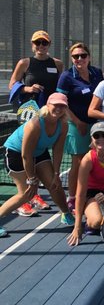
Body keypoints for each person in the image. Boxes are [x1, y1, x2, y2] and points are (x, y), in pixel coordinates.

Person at [0, 93, 73, 237]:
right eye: (55, 105)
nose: (58, 108)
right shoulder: (35, 124)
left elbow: (58, 150)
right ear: (47, 104)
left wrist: (57, 174)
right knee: (26, 193)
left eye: (62, 106)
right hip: (16, 152)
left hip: (38, 152)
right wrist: (32, 179)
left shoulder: (63, 125)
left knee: (54, 183)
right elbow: (26, 155)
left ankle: (66, 213)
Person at [8, 30, 64, 214]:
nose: (41, 46)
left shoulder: (57, 64)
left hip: (51, 114)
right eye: (37, 43)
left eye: (44, 43)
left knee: (41, 151)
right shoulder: (25, 63)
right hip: (29, 114)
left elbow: (60, 87)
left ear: (49, 44)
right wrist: (27, 88)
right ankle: (27, 195)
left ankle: (34, 193)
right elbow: (12, 84)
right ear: (32, 45)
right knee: (28, 150)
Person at [57, 43, 104, 213]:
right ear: (71, 59)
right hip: (76, 125)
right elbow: (62, 103)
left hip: (96, 124)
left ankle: (89, 193)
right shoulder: (66, 76)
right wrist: (77, 122)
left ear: (89, 57)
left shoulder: (97, 73)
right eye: (75, 56)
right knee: (78, 162)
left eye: (83, 55)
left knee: (94, 161)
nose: (79, 59)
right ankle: (72, 197)